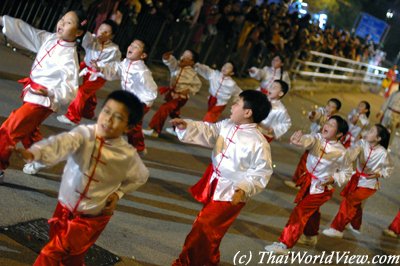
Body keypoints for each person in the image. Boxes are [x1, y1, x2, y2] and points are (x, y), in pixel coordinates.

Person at [15, 90, 149, 265]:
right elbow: (62, 142)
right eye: (106, 111)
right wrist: (35, 153)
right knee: (71, 255)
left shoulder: (128, 155)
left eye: (118, 117)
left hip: (91, 218)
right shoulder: (85, 134)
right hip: (64, 207)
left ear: (129, 127)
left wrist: (118, 194)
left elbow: (140, 177)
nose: (108, 119)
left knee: (52, 252)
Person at [170, 90, 273, 265]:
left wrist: (244, 188)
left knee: (203, 228)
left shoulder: (258, 143)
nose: (232, 106)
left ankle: (186, 262)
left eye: (237, 103)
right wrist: (187, 126)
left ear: (248, 113)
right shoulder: (227, 124)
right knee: (209, 231)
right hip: (215, 181)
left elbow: (262, 171)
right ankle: (206, 261)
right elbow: (210, 130)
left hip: (232, 192)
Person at [0, 10, 87, 181]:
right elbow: (29, 32)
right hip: (34, 92)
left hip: (44, 99)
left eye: (68, 22)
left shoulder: (70, 58)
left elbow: (70, 89)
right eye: (62, 19)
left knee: (9, 129)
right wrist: (3, 20)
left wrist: (50, 92)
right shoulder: (51, 38)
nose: (61, 23)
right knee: (28, 130)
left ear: (78, 32)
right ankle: (40, 157)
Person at [264, 116, 352, 253]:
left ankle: (284, 244)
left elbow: (347, 172)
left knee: (300, 212)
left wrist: (334, 178)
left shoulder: (342, 152)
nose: (326, 125)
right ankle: (311, 236)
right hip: (308, 181)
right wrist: (298, 140)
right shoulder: (317, 138)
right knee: (312, 211)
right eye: (327, 122)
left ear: (340, 134)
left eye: (332, 125)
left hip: (322, 188)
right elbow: (308, 139)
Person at [323, 124, 393, 238]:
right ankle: (355, 225)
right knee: (355, 203)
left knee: (349, 202)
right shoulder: (362, 143)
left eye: (371, 132)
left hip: (369, 185)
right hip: (357, 178)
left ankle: (337, 228)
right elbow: (350, 156)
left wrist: (380, 173)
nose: (367, 133)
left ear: (378, 138)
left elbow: (389, 168)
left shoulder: (383, 153)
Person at [93, 39, 157, 155]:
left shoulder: (143, 72)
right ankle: (128, 145)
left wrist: (141, 104)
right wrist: (101, 69)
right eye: (131, 44)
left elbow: (152, 90)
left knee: (132, 126)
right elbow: (115, 71)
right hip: (127, 100)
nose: (131, 47)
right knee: (125, 123)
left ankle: (138, 148)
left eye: (136, 47)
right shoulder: (125, 63)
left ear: (143, 55)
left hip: (140, 102)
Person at [57, 19, 121, 126]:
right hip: (86, 68)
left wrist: (101, 68)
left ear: (112, 36)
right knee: (88, 92)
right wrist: (82, 24)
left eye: (106, 32)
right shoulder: (91, 39)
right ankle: (88, 112)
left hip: (99, 75)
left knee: (82, 91)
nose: (102, 32)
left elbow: (115, 66)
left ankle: (73, 117)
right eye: (100, 29)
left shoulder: (114, 50)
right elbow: (84, 34)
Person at [285, 98, 342, 189]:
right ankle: (302, 181)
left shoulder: (334, 121)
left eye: (332, 107)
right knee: (307, 161)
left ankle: (298, 182)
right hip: (313, 141)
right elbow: (315, 115)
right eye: (328, 105)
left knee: (305, 161)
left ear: (337, 110)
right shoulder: (321, 111)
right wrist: (313, 114)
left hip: (319, 144)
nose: (329, 108)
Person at [143, 50, 202, 138]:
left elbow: (198, 85)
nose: (182, 58)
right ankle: (178, 129)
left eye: (187, 58)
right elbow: (171, 62)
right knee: (173, 113)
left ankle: (154, 130)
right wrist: (167, 57)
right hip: (171, 94)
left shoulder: (192, 74)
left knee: (164, 108)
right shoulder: (176, 66)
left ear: (192, 62)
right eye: (183, 55)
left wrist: (189, 90)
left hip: (181, 98)